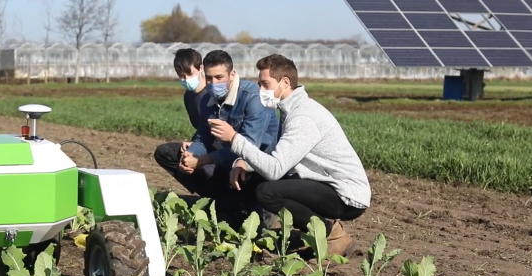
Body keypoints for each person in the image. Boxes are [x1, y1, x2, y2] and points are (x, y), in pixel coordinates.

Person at [208, 54, 371, 256]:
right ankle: (251, 225)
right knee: (252, 177)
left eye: (265, 84)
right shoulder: (290, 110)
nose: (261, 90)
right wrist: (243, 163)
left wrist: (234, 139)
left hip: (345, 194)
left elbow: (275, 169)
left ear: (285, 82)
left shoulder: (303, 116)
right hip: (324, 182)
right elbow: (277, 155)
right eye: (259, 84)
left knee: (267, 192)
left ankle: (331, 235)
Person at [156, 49, 279, 220]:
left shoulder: (252, 97)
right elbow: (203, 137)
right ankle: (225, 202)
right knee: (171, 155)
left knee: (243, 169)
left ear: (232, 74)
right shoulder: (209, 99)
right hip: (227, 157)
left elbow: (250, 147)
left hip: (258, 163)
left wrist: (203, 160)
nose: (213, 83)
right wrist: (192, 155)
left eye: (219, 77)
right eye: (209, 78)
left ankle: (259, 209)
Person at [153, 48, 209, 176]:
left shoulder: (212, 94)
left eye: (190, 74)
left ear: (201, 68)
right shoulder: (188, 96)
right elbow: (200, 128)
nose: (186, 79)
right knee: (164, 153)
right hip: (201, 142)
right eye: (182, 76)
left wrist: (197, 147)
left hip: (218, 146)